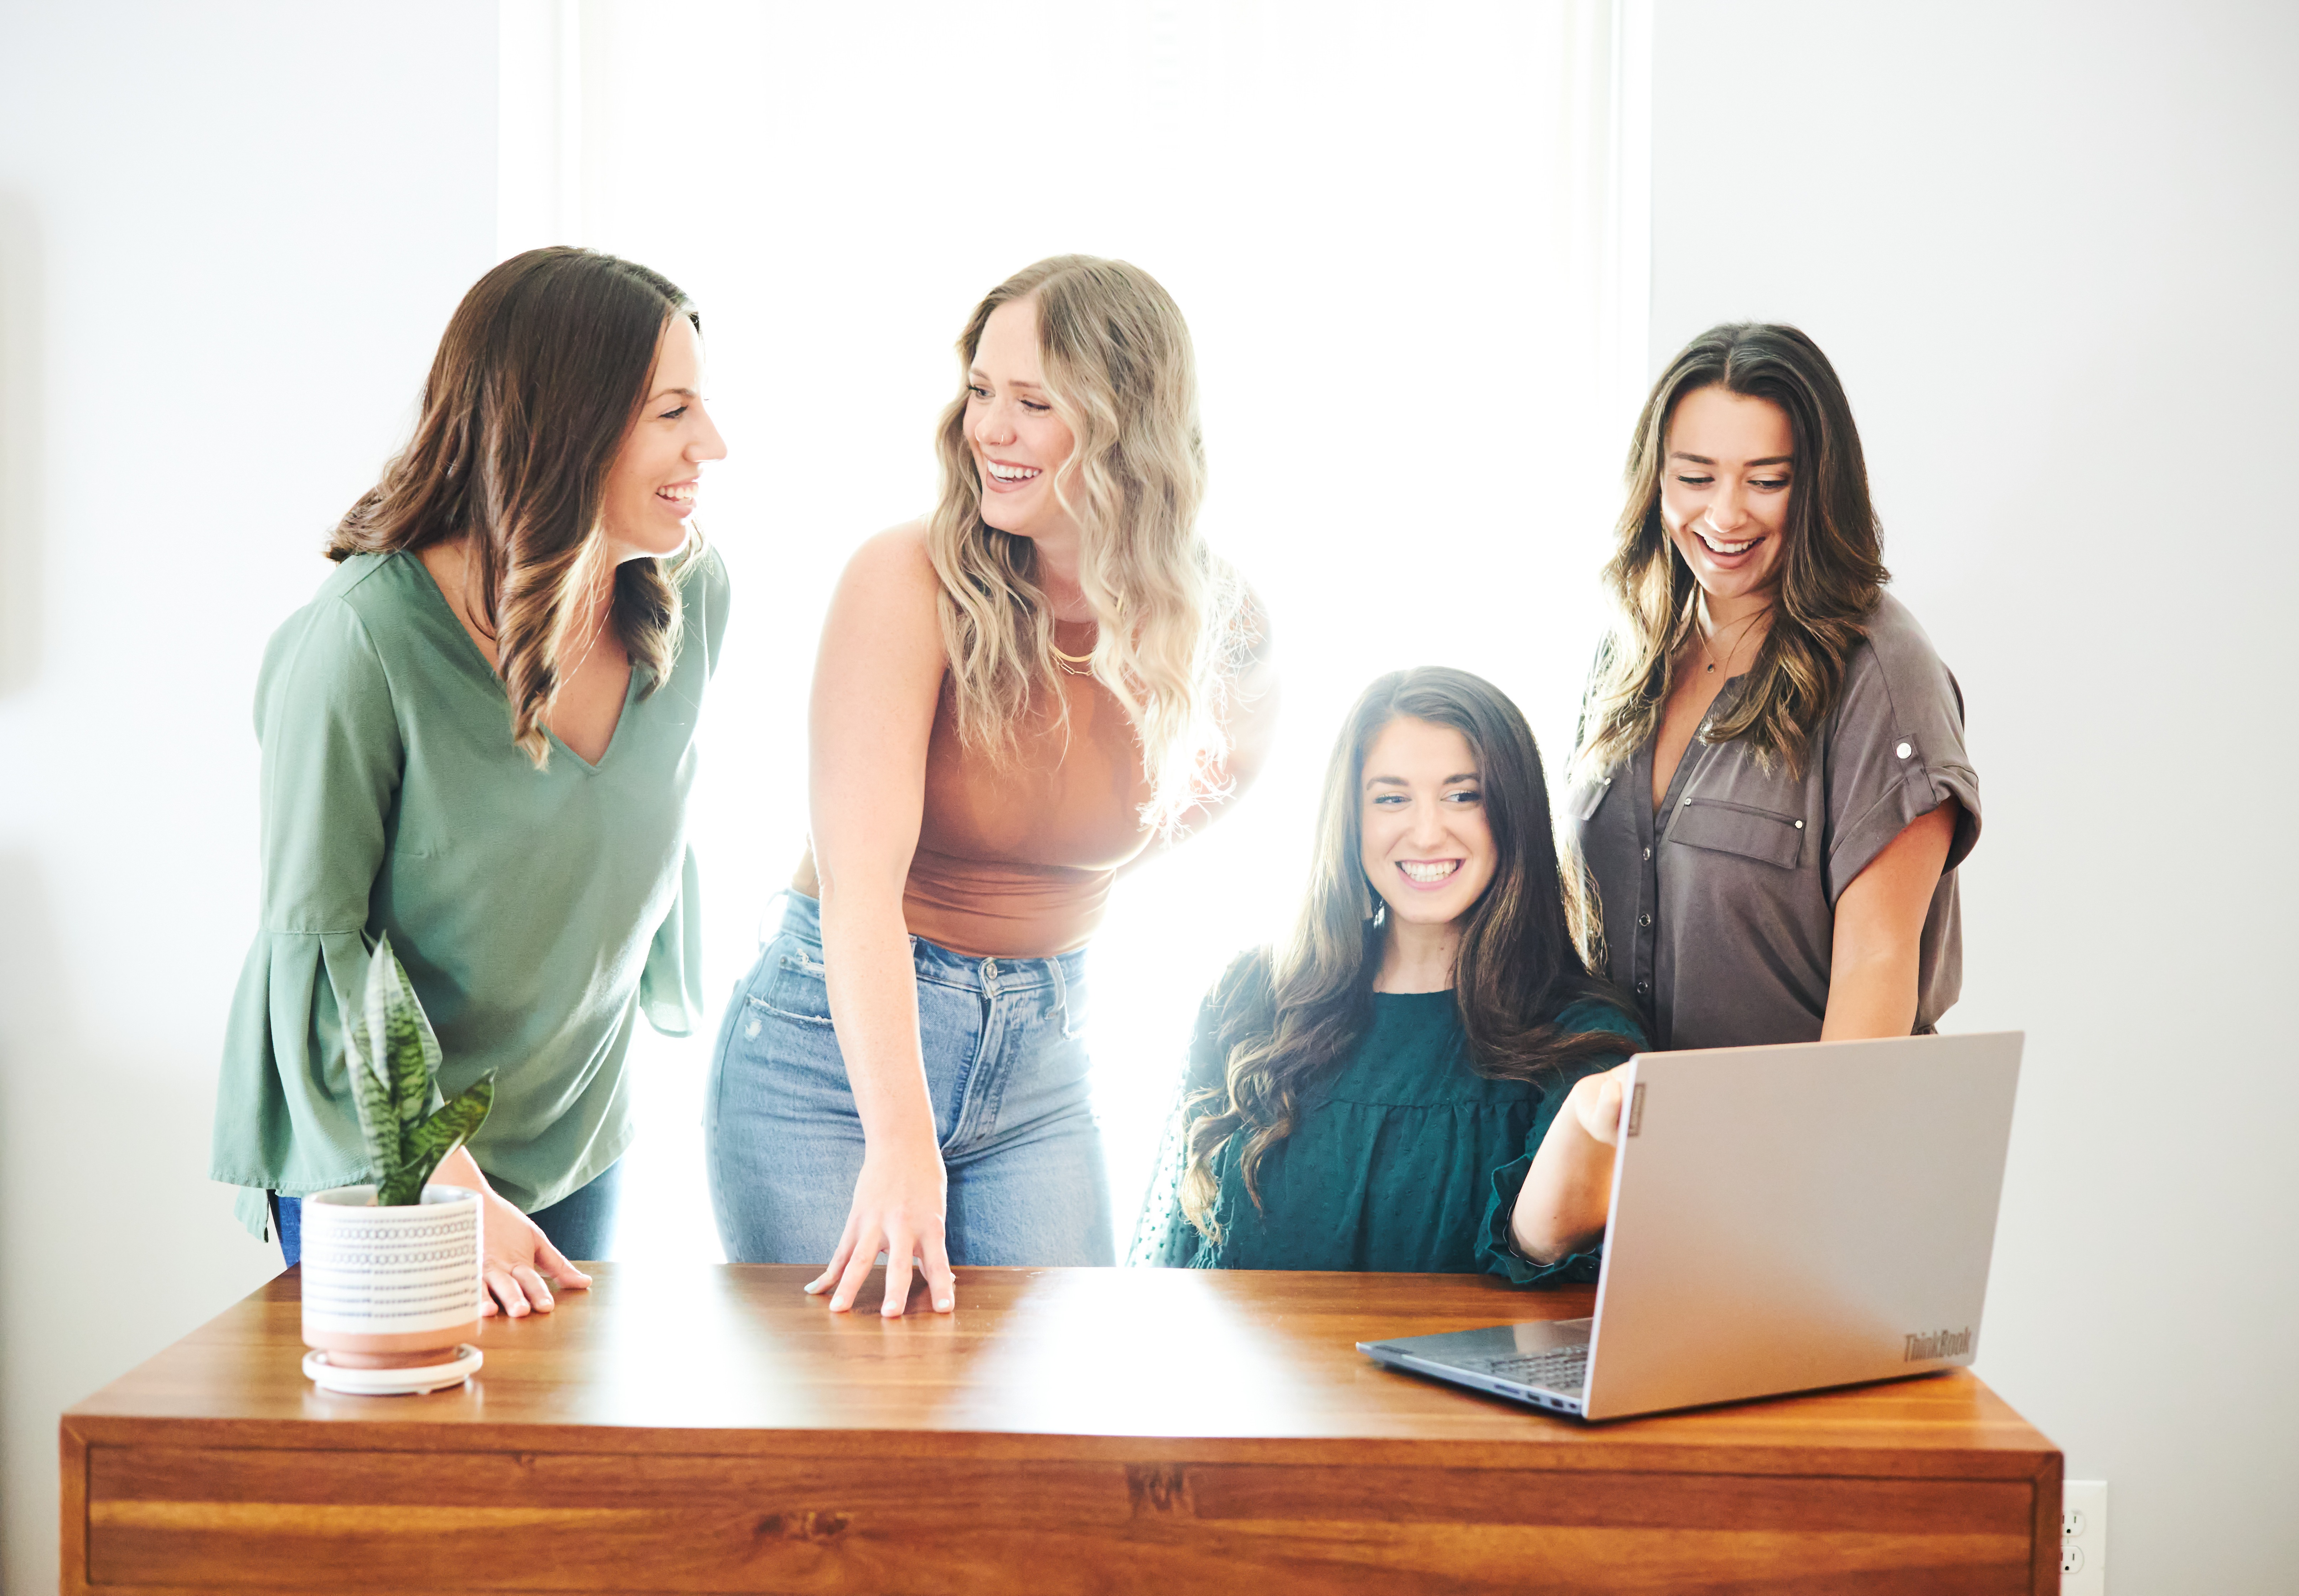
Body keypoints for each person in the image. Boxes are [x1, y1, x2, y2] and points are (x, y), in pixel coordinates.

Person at [706, 255, 1275, 1316]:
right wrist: (900, 1142)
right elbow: (859, 885)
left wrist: (1053, 879)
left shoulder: (1214, 621)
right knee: (869, 1418)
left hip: (1041, 1062)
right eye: (979, 393)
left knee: (1058, 1415)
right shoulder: (905, 579)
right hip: (828, 1066)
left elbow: (1227, 774)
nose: (988, 431)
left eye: (1032, 403)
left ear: (1125, 425)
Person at [210, 247, 731, 1318]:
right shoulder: (360, 645)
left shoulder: (692, 594)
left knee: (542, 1470)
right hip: (383, 1156)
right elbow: (321, 951)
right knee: (399, 1476)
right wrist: (448, 1184)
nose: (711, 447)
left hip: (574, 1137)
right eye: (673, 411)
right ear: (566, 424)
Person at [1134, 668, 1644, 1280]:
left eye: (1463, 795)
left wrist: (1590, 1122)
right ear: (1351, 817)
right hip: (1257, 1377)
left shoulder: (1585, 1037)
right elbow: (1180, 1258)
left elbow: (1538, 1259)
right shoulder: (1251, 995)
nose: (1427, 833)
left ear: (1515, 814)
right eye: (1391, 798)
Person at [1565, 322, 1978, 1051]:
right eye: (1695, 477)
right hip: (1627, 1137)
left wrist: (1808, 1160)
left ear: (1818, 485)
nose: (1725, 515)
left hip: (1797, 1143)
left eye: (1766, 480)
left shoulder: (1881, 672)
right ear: (1654, 478)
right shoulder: (1626, 652)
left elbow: (1877, 969)